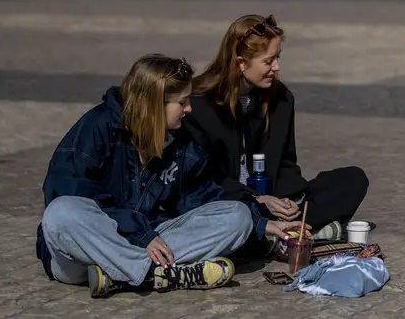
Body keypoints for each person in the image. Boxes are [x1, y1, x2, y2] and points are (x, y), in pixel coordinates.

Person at [36, 54, 285, 299]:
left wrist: (261, 223)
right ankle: (150, 272)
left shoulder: (181, 140)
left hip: (147, 238)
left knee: (237, 216)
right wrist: (137, 233)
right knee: (61, 211)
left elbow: (201, 196)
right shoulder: (98, 126)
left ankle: (122, 274)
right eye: (182, 102)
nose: (189, 109)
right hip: (88, 250)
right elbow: (65, 188)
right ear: (155, 104)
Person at [185, 14, 369, 257]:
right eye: (268, 61)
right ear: (240, 62)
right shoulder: (198, 105)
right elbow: (205, 179)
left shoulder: (280, 98)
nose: (277, 67)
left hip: (272, 202)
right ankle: (296, 234)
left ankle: (284, 232)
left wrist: (287, 200)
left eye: (277, 57)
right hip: (231, 201)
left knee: (353, 179)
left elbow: (285, 162)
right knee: (234, 217)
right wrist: (258, 199)